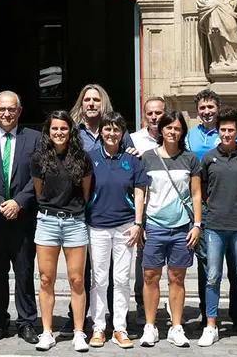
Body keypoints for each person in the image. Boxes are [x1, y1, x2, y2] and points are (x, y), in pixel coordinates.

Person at [63, 83, 135, 337]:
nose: (91, 104)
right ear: (81, 104)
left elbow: (128, 158)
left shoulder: (115, 131)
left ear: (103, 104)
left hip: (112, 210)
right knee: (83, 270)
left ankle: (118, 321)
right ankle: (79, 317)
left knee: (115, 273)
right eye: (87, 100)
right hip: (79, 205)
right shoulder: (72, 130)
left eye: (96, 100)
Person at [0, 91, 40, 345]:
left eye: (11, 109)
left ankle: (26, 323)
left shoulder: (34, 139)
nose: (6, 113)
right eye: (1, 109)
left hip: (24, 219)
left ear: (19, 111)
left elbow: (38, 176)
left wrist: (19, 202)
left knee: (25, 273)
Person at [196, 107, 237, 349]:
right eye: (222, 130)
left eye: (230, 130)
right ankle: (211, 326)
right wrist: (213, 206)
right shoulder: (208, 158)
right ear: (218, 131)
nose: (226, 134)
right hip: (214, 225)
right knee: (212, 277)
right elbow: (202, 189)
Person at [30, 110, 93, 352]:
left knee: (77, 280)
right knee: (46, 279)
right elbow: (39, 192)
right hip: (47, 222)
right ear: (48, 131)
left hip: (75, 222)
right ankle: (47, 331)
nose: (59, 132)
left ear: (71, 131)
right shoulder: (38, 159)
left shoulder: (82, 158)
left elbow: (85, 193)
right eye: (54, 128)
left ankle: (79, 332)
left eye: (64, 128)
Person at [140, 109, 203, 349]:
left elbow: (196, 194)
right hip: (154, 225)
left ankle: (176, 326)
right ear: (161, 130)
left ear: (182, 132)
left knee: (177, 277)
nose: (172, 131)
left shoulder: (190, 159)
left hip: (181, 227)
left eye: (177, 128)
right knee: (150, 276)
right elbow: (141, 193)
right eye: (169, 127)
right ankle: (150, 325)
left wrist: (197, 225)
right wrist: (140, 223)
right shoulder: (147, 157)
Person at [86, 111, 147, 349]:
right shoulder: (90, 157)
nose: (112, 134)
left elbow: (140, 190)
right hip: (97, 226)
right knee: (99, 279)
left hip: (125, 226)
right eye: (107, 129)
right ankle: (99, 327)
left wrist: (138, 223)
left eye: (116, 130)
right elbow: (84, 189)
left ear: (123, 134)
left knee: (121, 279)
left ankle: (120, 328)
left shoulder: (131, 159)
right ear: (101, 132)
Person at [184, 89, 237, 330]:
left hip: (230, 206)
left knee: (235, 262)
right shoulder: (190, 136)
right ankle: (206, 313)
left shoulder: (230, 133)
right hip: (205, 206)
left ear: (218, 109)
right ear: (197, 111)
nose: (207, 111)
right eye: (202, 108)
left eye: (210, 107)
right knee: (207, 264)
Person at [129, 96, 165, 325]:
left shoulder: (174, 135)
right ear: (144, 116)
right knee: (144, 259)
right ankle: (142, 303)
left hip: (170, 208)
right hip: (145, 207)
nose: (154, 117)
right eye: (150, 113)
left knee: (174, 263)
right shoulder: (133, 139)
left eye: (158, 113)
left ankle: (171, 305)